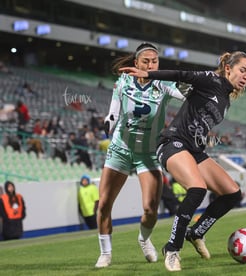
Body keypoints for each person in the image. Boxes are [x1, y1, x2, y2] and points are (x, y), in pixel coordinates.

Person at [120, 50, 246, 271]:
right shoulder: (212, 80)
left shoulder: (225, 96)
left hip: (195, 150)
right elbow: (182, 74)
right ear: (228, 68)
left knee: (232, 193)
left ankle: (196, 232)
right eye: (243, 70)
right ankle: (172, 248)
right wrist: (148, 73)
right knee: (197, 189)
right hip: (172, 143)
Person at [95, 42, 186, 268]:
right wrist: (109, 121)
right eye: (145, 61)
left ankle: (144, 239)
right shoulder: (123, 82)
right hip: (121, 149)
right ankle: (105, 253)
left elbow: (184, 95)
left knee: (150, 209)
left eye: (154, 61)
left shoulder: (163, 83)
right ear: (136, 63)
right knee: (104, 204)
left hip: (148, 153)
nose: (150, 64)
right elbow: (113, 112)